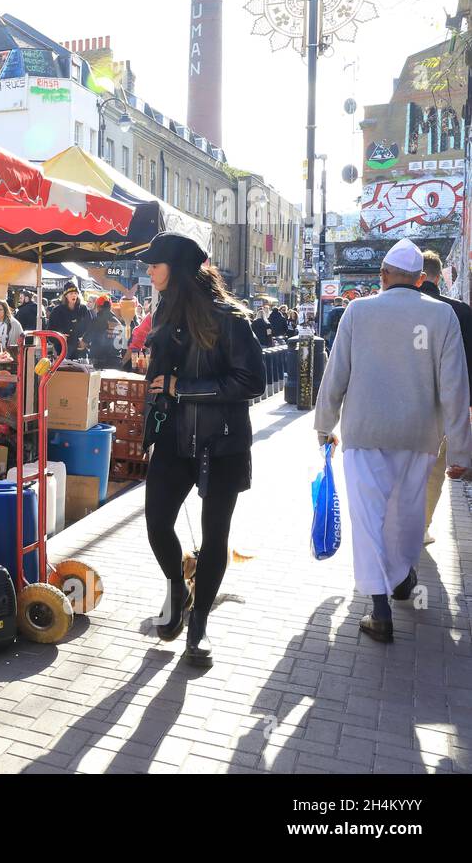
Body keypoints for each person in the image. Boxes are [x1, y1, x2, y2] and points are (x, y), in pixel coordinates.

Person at [315, 239, 471, 643]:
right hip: (419, 435)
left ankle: (380, 607)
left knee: (369, 518)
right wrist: (461, 449)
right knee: (406, 514)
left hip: (366, 432)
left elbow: (337, 374)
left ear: (383, 275)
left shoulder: (358, 310)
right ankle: (402, 579)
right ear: (421, 280)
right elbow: (455, 387)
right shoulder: (442, 317)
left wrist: (324, 423)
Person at [140, 232, 264, 666]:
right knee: (157, 522)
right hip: (174, 441)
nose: (149, 270)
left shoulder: (230, 318)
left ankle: (199, 628)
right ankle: (178, 586)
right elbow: (157, 386)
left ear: (176, 269)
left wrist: (182, 388)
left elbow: (251, 382)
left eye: (155, 264)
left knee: (215, 541)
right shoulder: (164, 313)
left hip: (222, 443)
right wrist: (149, 432)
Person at [417, 250, 472, 546]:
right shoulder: (461, 311)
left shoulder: (406, 309)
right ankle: (422, 526)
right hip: (447, 404)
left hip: (407, 402)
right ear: (439, 276)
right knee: (435, 469)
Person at [47, 283, 92, 361]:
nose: (74, 295)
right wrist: (59, 337)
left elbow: (91, 327)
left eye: (75, 293)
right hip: (63, 349)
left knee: (81, 372)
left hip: (80, 350)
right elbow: (50, 331)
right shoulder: (57, 311)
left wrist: (85, 340)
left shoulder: (83, 309)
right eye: (71, 293)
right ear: (66, 296)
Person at [87, 296, 125, 370]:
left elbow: (85, 341)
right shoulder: (118, 322)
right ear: (110, 307)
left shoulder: (97, 321)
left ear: (98, 307)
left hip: (100, 363)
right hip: (116, 362)